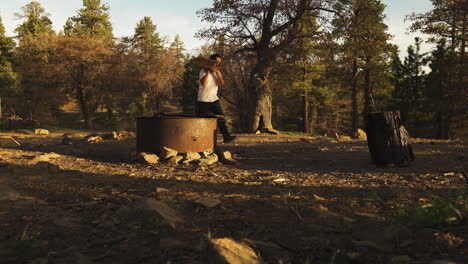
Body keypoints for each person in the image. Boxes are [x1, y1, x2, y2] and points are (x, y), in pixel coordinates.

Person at [197, 54, 236, 143]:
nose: (217, 64)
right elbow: (204, 83)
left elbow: (221, 83)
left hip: (214, 99)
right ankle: (200, 141)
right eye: (216, 62)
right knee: (202, 121)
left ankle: (226, 137)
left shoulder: (217, 72)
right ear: (211, 62)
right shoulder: (203, 71)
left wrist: (217, 72)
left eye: (219, 63)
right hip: (203, 100)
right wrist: (208, 71)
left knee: (221, 118)